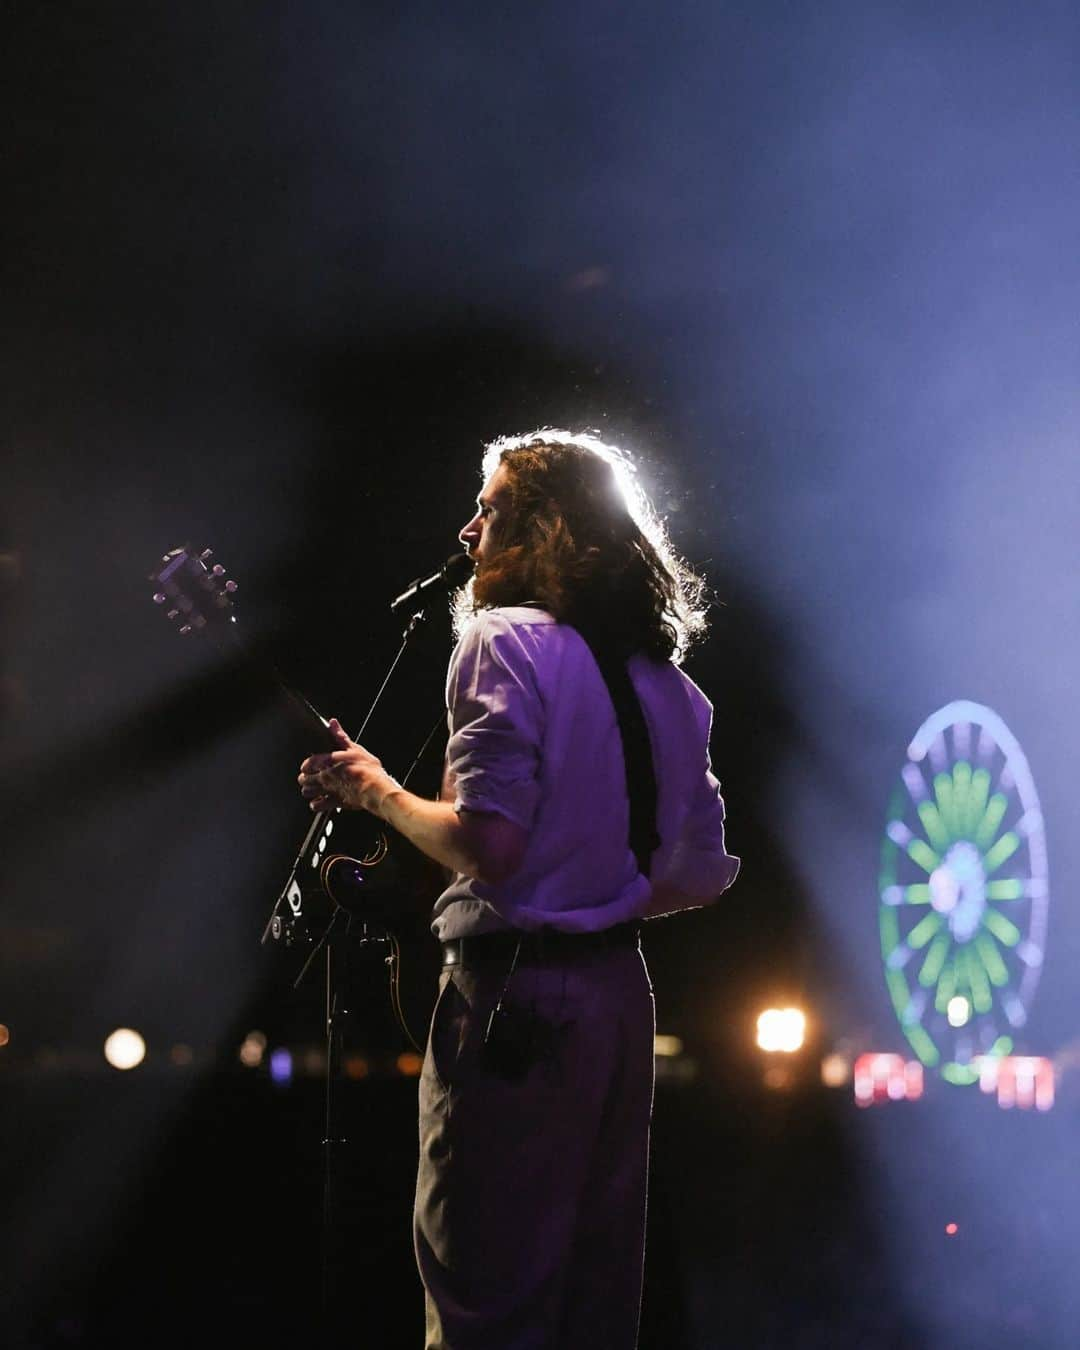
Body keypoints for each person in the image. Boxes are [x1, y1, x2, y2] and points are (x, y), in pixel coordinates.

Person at [297, 429, 739, 1350]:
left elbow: (488, 846)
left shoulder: (500, 644)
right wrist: (595, 897)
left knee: (486, 1307)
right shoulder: (670, 687)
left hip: (513, 1006)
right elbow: (698, 874)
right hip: (621, 1001)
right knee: (594, 1304)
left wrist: (371, 790)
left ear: (540, 527)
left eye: (490, 508)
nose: (469, 529)